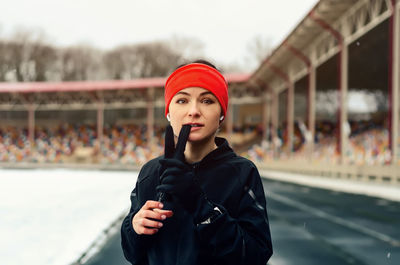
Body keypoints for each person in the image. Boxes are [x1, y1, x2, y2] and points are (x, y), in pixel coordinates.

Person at [120, 60, 273, 265]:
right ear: (168, 112)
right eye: (182, 100)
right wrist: (135, 227)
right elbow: (132, 254)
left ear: (221, 113)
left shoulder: (242, 172)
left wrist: (200, 205)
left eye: (207, 101)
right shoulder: (151, 172)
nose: (193, 111)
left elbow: (256, 255)